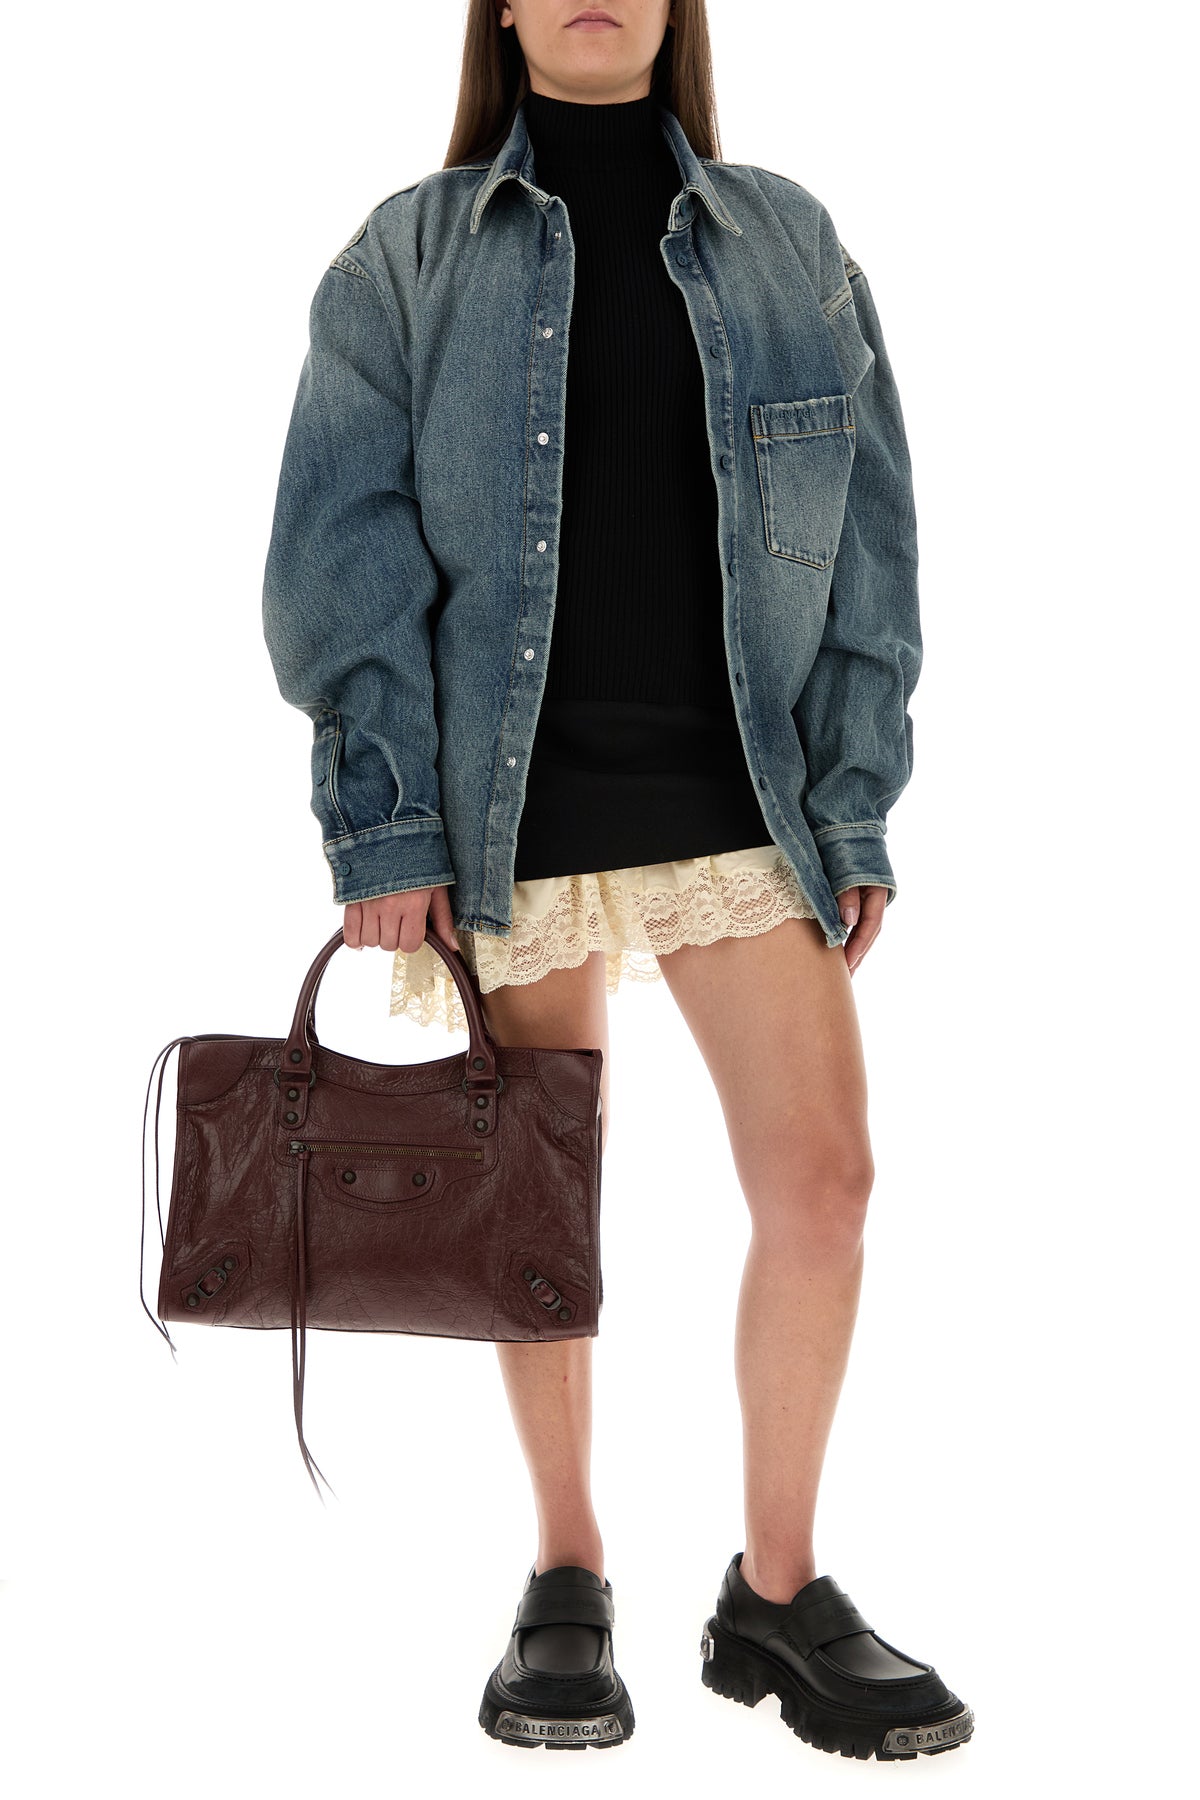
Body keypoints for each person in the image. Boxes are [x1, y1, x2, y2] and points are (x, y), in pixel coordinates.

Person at [261, 0, 974, 1762]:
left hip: (742, 799)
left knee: (824, 1185)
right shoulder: (410, 253)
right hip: (511, 811)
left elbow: (872, 542)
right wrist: (387, 828)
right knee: (540, 1213)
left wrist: (855, 804)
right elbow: (338, 549)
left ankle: (778, 1592)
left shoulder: (790, 241)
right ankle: (567, 1574)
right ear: (502, 7)